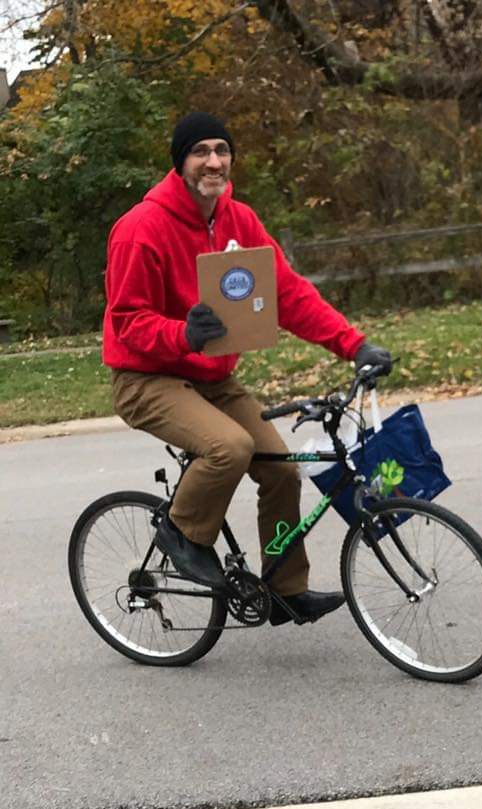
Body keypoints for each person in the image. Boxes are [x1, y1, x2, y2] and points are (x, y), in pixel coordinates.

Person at [102, 112, 392, 625]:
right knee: (229, 448)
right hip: (146, 378)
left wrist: (354, 345)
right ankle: (180, 533)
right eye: (200, 151)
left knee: (281, 468)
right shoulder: (140, 229)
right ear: (181, 162)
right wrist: (181, 334)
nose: (213, 161)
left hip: (212, 378)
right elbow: (126, 322)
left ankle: (285, 589)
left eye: (222, 150)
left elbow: (288, 294)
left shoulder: (238, 220)